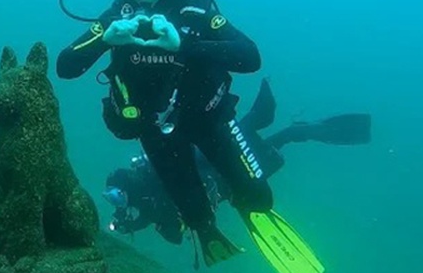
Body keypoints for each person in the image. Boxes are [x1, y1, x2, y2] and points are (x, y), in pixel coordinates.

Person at [56, 0, 329, 273]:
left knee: (260, 198)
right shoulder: (117, 17)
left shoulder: (193, 9)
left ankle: (245, 196)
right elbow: (66, 66)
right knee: (197, 217)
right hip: (156, 132)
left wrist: (185, 44)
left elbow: (250, 56)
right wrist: (104, 37)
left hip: (209, 119)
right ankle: (209, 219)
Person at [103, 78, 371, 251]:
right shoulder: (149, 193)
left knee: (262, 144)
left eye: (116, 196)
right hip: (221, 168)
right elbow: (165, 221)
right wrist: (130, 224)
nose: (117, 202)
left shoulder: (152, 196)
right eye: (112, 198)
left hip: (228, 179)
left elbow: (172, 230)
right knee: (249, 142)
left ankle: (268, 120)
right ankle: (265, 119)